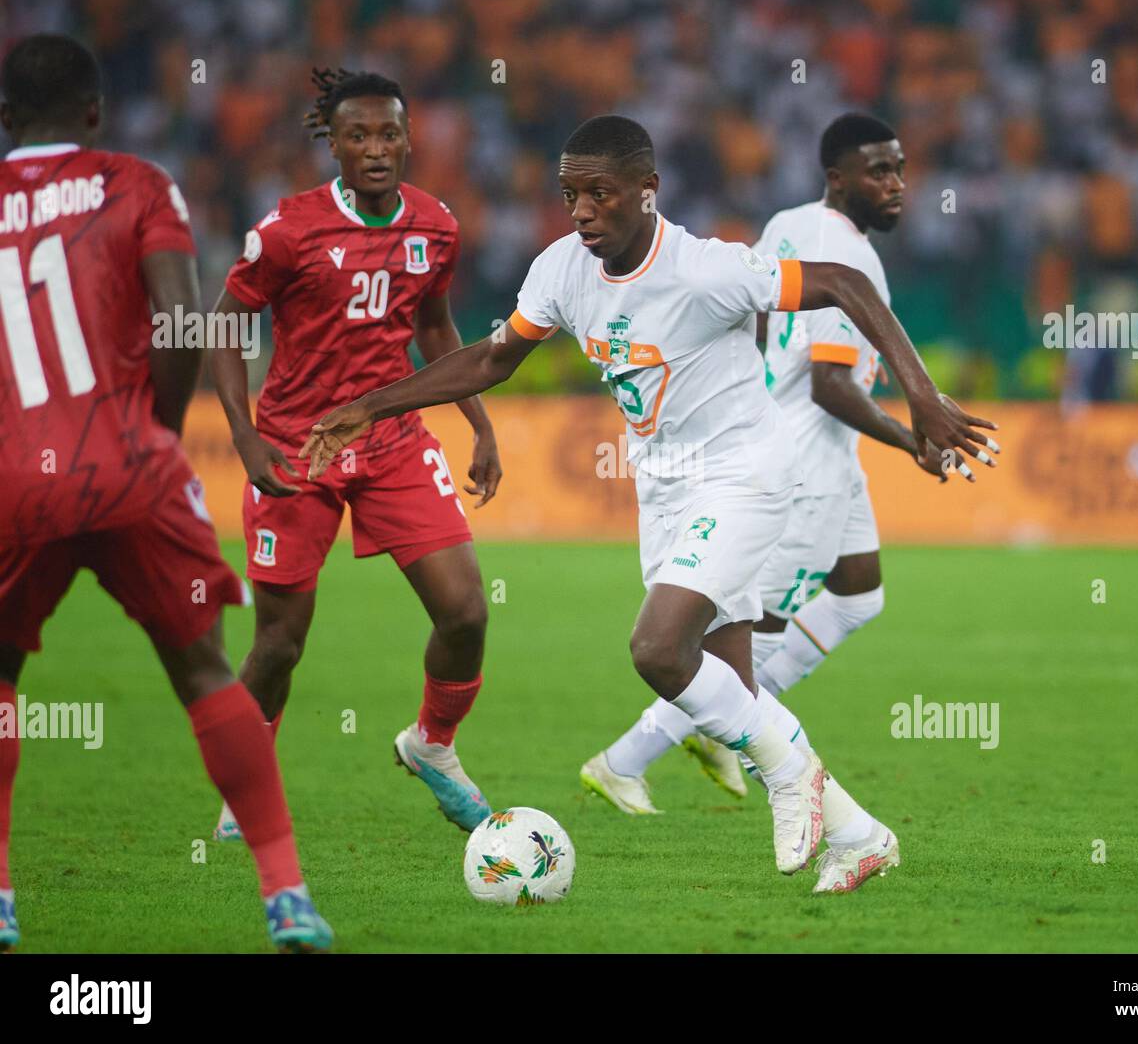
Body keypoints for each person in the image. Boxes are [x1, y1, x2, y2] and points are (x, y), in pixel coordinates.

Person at [300, 115, 998, 891]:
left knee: (657, 650)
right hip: (664, 489)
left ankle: (792, 775)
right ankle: (861, 836)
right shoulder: (563, 269)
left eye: (601, 193)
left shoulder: (706, 270)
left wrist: (923, 396)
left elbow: (847, 283)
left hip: (746, 474)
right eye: (571, 195)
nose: (583, 211)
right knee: (731, 697)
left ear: (647, 191)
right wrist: (375, 403)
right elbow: (495, 358)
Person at [0, 33, 331, 951]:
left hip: (11, 478)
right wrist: (154, 429)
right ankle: (285, 893)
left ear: (6, 121)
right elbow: (182, 318)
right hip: (129, 464)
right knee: (205, 671)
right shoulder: (136, 183)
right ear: (97, 113)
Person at [584, 115, 987, 843]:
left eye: (900, 169)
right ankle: (628, 757)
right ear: (838, 178)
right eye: (879, 172)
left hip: (824, 455)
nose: (896, 185)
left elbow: (764, 326)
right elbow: (831, 383)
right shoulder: (846, 253)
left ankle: (717, 727)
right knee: (744, 636)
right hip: (802, 464)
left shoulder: (789, 223)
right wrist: (910, 434)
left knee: (859, 595)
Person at [207, 68, 502, 839]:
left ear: (410, 139)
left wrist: (479, 422)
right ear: (332, 145)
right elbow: (224, 325)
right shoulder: (288, 230)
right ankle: (248, 788)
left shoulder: (436, 225)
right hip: (296, 450)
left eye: (389, 134)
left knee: (467, 611)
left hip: (394, 441)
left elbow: (435, 332)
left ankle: (432, 745)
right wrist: (244, 435)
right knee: (279, 644)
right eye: (358, 136)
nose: (376, 148)